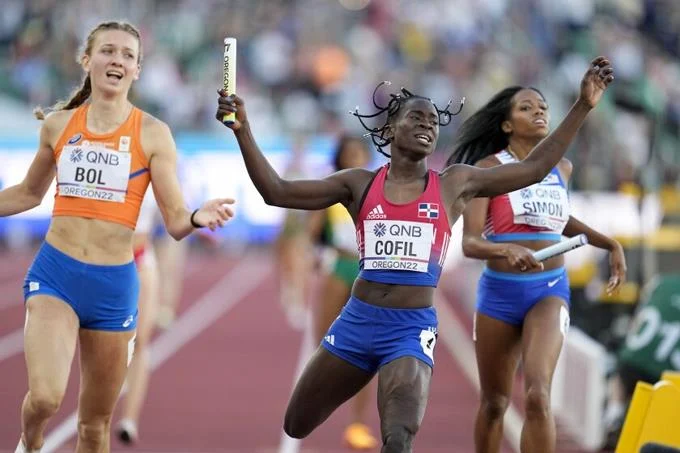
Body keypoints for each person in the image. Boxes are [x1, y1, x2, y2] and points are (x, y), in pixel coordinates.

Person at [216, 57, 614, 452]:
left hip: (410, 329)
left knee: (399, 437)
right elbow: (277, 191)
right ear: (391, 129)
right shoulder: (358, 184)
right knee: (296, 423)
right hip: (357, 321)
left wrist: (583, 105)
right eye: (417, 119)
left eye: (433, 123)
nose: (427, 126)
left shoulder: (454, 184)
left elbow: (535, 168)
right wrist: (243, 130)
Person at [7, 21, 233, 453]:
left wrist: (199, 216)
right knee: (46, 397)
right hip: (57, 275)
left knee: (95, 426)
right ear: (88, 60)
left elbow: (176, 222)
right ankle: (30, 441)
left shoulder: (152, 133)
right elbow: (28, 194)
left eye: (128, 55)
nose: (118, 60)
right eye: (109, 51)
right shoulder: (58, 126)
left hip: (114, 287)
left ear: (137, 70)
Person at [446, 84, 627, 453]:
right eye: (527, 108)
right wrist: (507, 248)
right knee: (495, 403)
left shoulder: (563, 167)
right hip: (499, 294)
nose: (540, 112)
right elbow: (470, 242)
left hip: (549, 291)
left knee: (537, 395)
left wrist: (608, 242)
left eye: (543, 106)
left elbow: (558, 221)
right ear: (508, 125)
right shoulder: (487, 169)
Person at [307, 135, 378, 450]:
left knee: (368, 351)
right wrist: (318, 253)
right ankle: (324, 395)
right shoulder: (332, 191)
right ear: (340, 159)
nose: (355, 159)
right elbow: (312, 232)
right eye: (349, 154)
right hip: (339, 267)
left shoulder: (380, 190)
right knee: (323, 341)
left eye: (360, 153)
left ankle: (358, 423)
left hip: (369, 272)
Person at [116, 191, 160, 445]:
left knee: (141, 341)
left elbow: (175, 210)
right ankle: (98, 414)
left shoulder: (157, 157)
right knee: (109, 342)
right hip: (108, 261)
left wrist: (197, 221)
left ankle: (129, 420)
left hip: (142, 258)